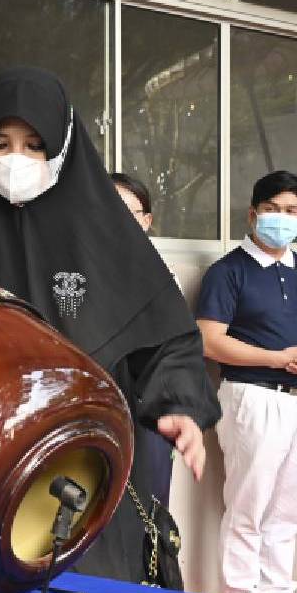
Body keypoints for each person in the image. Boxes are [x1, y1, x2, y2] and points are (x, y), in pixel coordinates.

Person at [0, 67, 220, 584]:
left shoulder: (107, 234)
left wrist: (179, 405)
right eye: (1, 143)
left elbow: (165, 335)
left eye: (34, 145)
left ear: (63, 147)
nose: (16, 160)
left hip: (96, 461)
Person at [195, 170, 297, 593]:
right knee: (249, 507)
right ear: (253, 213)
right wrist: (277, 358)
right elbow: (210, 341)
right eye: (273, 209)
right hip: (251, 398)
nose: (283, 218)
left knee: (288, 508)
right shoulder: (229, 271)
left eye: (292, 210)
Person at [111, 171, 175, 510]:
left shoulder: (163, 275)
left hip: (146, 408)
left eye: (129, 211)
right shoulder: (67, 273)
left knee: (149, 508)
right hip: (91, 406)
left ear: (147, 220)